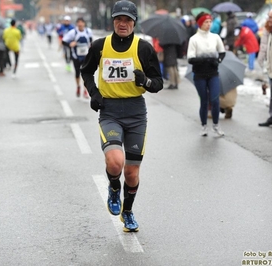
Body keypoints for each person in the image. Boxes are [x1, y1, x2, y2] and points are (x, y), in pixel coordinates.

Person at [80, 0, 163, 232]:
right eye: (118, 19)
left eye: (127, 20)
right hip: (110, 112)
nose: (122, 24)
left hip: (136, 112)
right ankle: (114, 188)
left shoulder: (143, 48)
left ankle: (127, 212)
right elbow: (86, 70)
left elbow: (158, 83)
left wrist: (144, 81)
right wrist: (94, 93)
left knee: (132, 172)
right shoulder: (100, 46)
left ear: (134, 22)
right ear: (113, 21)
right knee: (116, 163)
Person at [187, 12, 226, 136]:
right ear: (200, 23)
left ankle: (216, 125)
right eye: (206, 22)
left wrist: (218, 60)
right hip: (199, 75)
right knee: (204, 101)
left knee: (215, 101)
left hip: (213, 73)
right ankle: (204, 126)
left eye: (210, 22)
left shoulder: (215, 37)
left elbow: (222, 52)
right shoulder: (194, 39)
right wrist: (207, 59)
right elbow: (190, 58)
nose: (209, 24)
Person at [62, 17, 93, 98]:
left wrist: (91, 48)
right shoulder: (73, 32)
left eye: (81, 22)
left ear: (84, 23)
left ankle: (85, 90)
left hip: (86, 56)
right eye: (78, 22)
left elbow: (91, 41)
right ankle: (78, 86)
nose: (80, 24)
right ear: (76, 24)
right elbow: (64, 41)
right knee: (77, 73)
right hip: (76, 56)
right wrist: (70, 44)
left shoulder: (88, 31)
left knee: (85, 74)